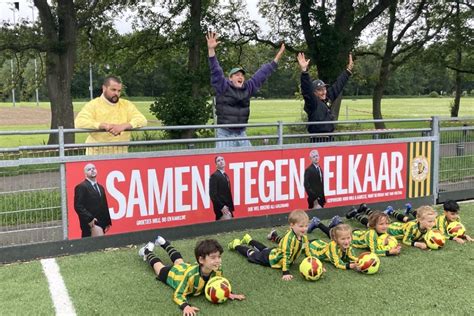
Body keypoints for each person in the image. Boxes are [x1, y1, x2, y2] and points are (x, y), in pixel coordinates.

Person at [207, 31, 285, 148]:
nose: (240, 77)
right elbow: (216, 70)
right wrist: (211, 51)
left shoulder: (248, 88)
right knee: (224, 163)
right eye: (237, 75)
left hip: (242, 133)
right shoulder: (223, 87)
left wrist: (276, 59)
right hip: (225, 134)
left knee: (250, 160)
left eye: (242, 75)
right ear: (230, 78)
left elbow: (262, 74)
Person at [138, 236, 245, 315]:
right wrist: (185, 306)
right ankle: (146, 251)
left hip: (186, 267)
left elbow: (219, 283)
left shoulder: (218, 269)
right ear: (201, 260)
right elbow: (178, 294)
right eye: (213, 258)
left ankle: (163, 242)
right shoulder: (191, 276)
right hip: (174, 275)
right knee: (159, 268)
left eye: (219, 257)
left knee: (179, 261)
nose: (218, 261)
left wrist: (229, 293)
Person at [228, 210, 311, 281]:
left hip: (274, 253)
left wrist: (313, 264)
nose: (304, 229)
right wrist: (286, 272)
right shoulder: (289, 239)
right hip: (271, 259)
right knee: (252, 255)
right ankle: (236, 245)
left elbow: (307, 251)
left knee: (264, 250)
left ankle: (249, 240)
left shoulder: (304, 237)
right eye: (301, 226)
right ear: (292, 225)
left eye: (306, 226)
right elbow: (286, 255)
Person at [75, 76, 148, 155]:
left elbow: (142, 120)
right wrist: (101, 125)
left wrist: (124, 126)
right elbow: (79, 121)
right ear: (104, 88)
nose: (116, 93)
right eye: (113, 90)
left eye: (119, 91)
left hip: (121, 155)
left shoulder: (126, 104)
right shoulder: (93, 104)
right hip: (96, 155)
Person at [297, 52, 353, 141]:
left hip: (329, 139)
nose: (324, 92)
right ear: (314, 92)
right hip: (318, 140)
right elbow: (306, 90)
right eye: (320, 90)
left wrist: (348, 71)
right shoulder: (313, 103)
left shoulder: (327, 99)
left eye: (324, 89)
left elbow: (337, 86)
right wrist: (304, 72)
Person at [74, 163, 111, 238]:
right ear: (85, 174)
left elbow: (104, 205)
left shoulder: (101, 187)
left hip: (102, 222)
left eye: (93, 168)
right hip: (90, 223)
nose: (92, 170)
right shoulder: (81, 187)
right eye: (89, 169)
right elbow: (78, 206)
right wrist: (90, 219)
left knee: (100, 246)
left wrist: (108, 221)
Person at [209, 156, 234, 221]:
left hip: (227, 207)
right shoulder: (214, 176)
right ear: (216, 165)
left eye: (222, 159)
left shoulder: (225, 175)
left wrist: (230, 208)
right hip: (221, 208)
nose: (221, 161)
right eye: (218, 160)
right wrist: (222, 206)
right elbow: (213, 194)